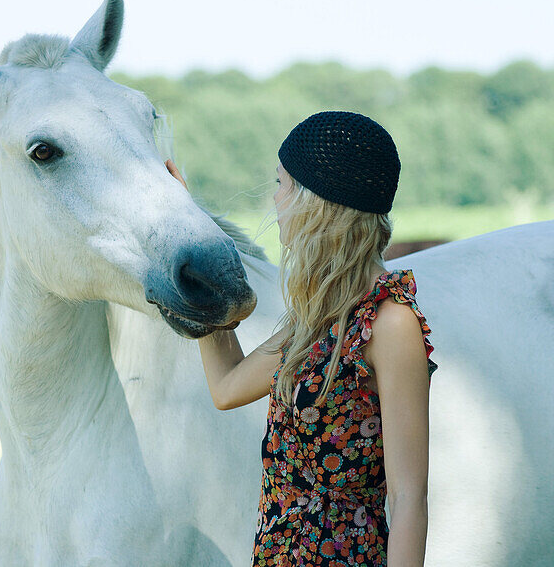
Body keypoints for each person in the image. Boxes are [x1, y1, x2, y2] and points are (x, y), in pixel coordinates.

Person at [164, 110, 438, 567]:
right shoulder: (318, 320)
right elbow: (227, 386)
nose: (274, 200)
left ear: (318, 202)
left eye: (281, 183)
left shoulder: (389, 323)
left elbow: (409, 497)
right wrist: (193, 234)